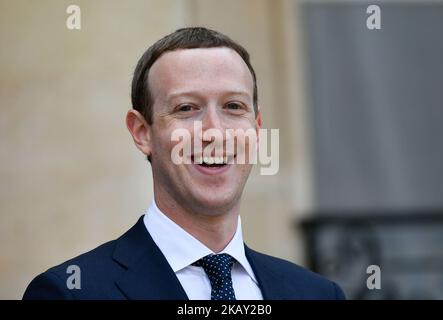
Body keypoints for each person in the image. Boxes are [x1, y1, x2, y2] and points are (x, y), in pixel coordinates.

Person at [23, 27, 345, 300]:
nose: (215, 133)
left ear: (256, 130)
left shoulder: (317, 294)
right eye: (187, 109)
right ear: (142, 132)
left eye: (233, 106)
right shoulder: (69, 293)